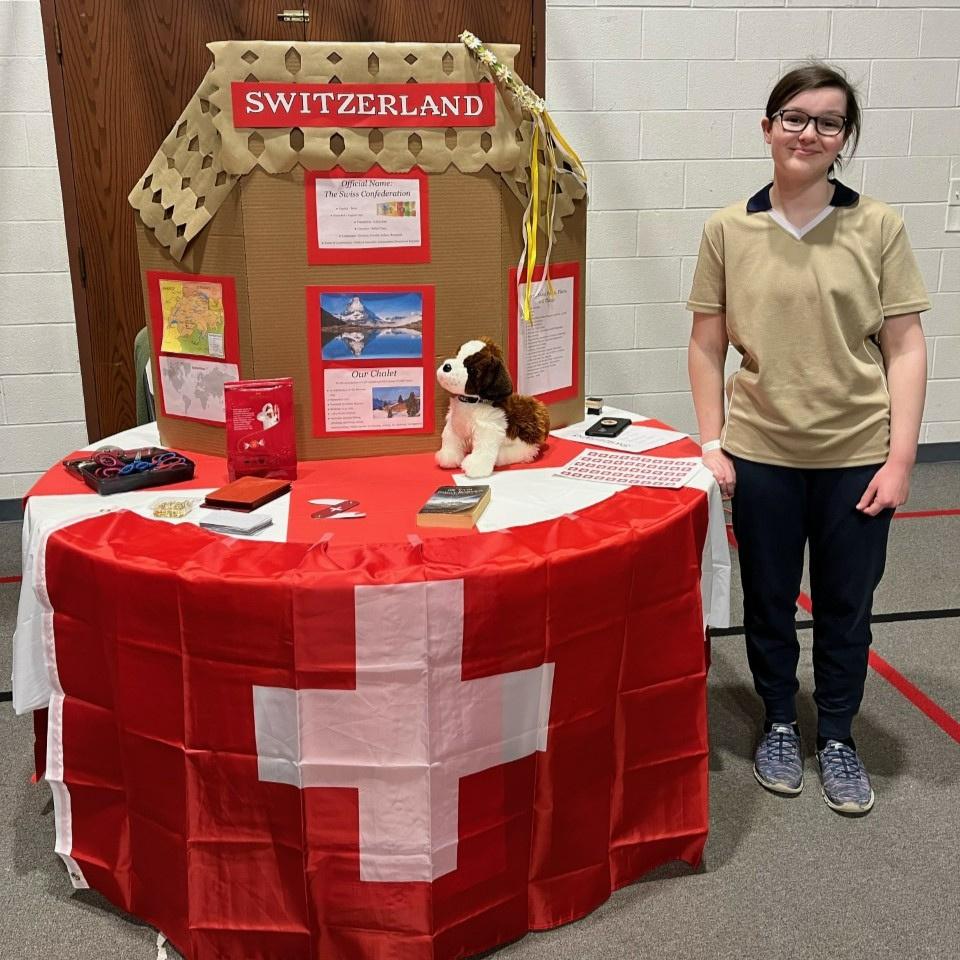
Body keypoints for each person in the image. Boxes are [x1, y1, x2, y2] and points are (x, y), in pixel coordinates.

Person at [686, 63, 930, 815]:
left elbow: (906, 347)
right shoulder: (728, 228)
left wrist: (900, 458)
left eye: (828, 122)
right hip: (761, 455)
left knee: (846, 606)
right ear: (768, 128)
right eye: (794, 117)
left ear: (844, 138)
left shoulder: (878, 226)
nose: (808, 133)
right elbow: (706, 345)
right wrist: (712, 442)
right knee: (767, 600)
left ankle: (839, 735)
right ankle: (780, 723)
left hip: (856, 456)